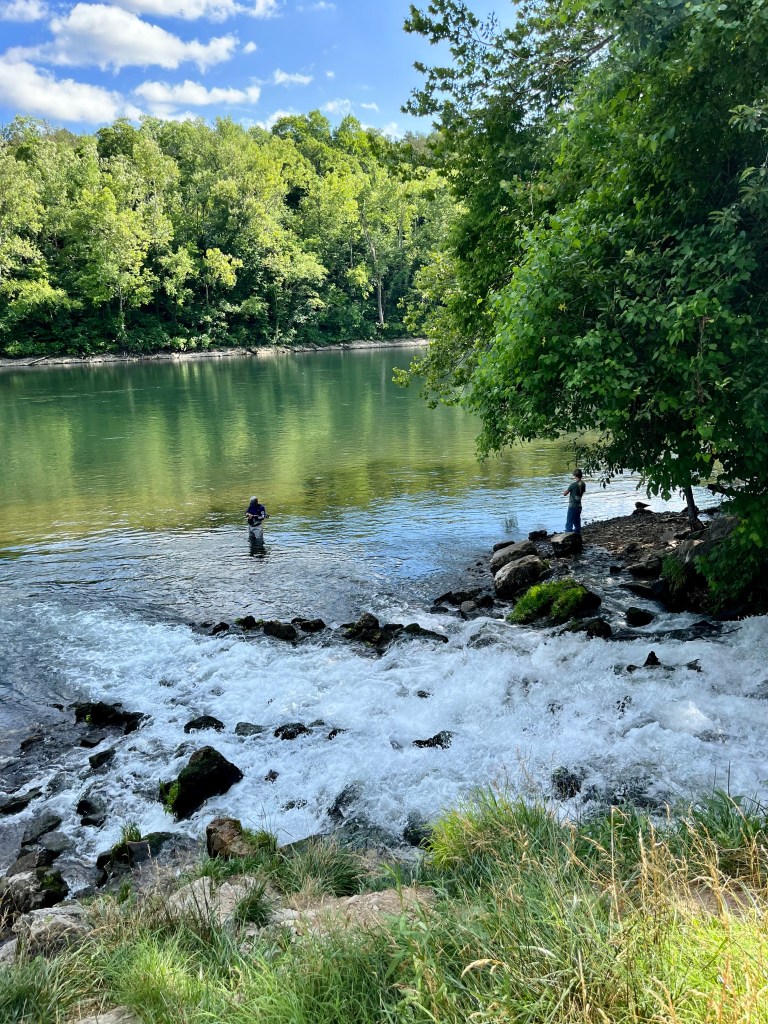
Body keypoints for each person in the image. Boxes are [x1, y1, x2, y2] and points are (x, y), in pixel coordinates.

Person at [563, 470, 586, 534]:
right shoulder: (583, 484)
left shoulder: (573, 485)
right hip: (579, 506)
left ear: (575, 476)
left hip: (572, 506)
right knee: (577, 522)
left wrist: (566, 490)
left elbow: (565, 494)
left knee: (569, 523)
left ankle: (568, 535)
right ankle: (577, 535)